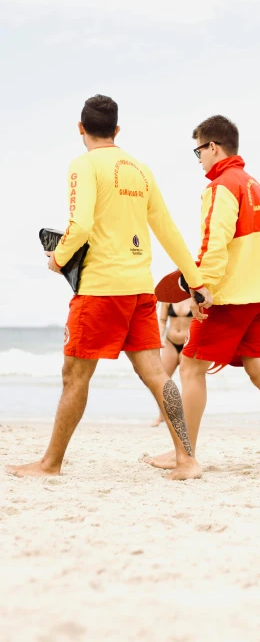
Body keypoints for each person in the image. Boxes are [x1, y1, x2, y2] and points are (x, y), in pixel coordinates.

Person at [7, 94, 212, 481]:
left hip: (100, 289)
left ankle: (49, 464)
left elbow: (80, 224)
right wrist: (196, 282)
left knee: (74, 376)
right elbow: (167, 231)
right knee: (157, 373)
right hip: (138, 288)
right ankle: (187, 459)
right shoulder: (141, 169)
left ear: (81, 128)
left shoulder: (83, 166)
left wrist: (59, 258)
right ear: (117, 130)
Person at [145, 115, 260, 475]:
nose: (199, 158)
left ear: (213, 147)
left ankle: (185, 454)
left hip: (232, 295)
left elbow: (214, 244)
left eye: (198, 150)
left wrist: (201, 289)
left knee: (191, 367)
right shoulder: (255, 185)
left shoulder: (221, 187)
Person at [151, 299, 193, 426]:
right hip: (170, 342)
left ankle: (186, 416)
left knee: (188, 381)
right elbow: (162, 320)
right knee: (162, 381)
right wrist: (160, 338)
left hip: (188, 343)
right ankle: (162, 415)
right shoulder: (169, 298)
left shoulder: (196, 297)